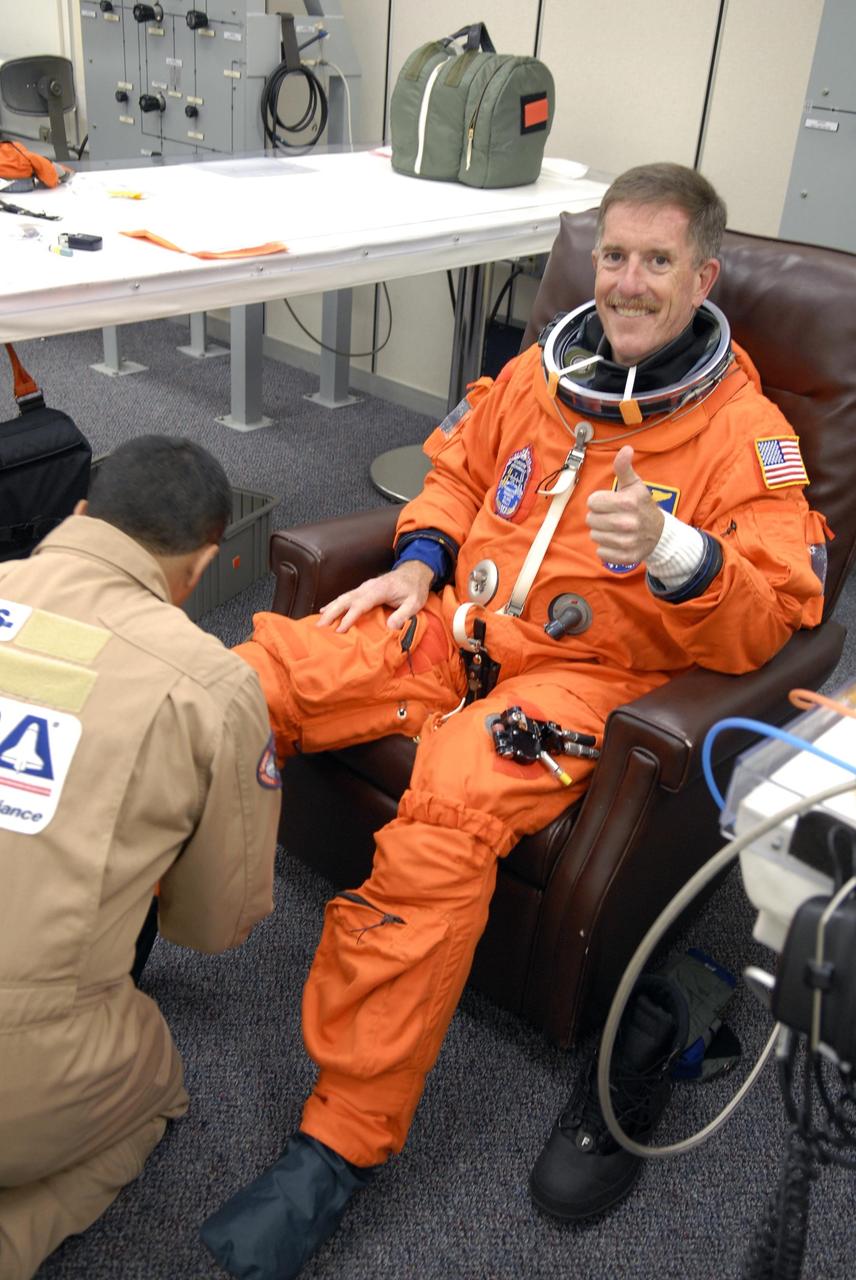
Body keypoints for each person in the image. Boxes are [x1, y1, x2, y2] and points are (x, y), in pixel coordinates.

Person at [200, 163, 829, 1278]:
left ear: (703, 277)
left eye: (657, 260)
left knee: (444, 817)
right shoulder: (542, 374)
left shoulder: (746, 435)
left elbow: (777, 615)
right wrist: (418, 561)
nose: (626, 281)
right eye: (614, 254)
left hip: (580, 682)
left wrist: (680, 555)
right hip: (453, 624)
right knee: (239, 682)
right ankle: (117, 917)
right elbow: (452, 469)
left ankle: (336, 1146)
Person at [0, 435, 281, 1280]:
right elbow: (212, 925)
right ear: (202, 566)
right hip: (24, 1071)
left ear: (82, 514)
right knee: (155, 1081)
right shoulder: (213, 688)